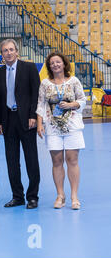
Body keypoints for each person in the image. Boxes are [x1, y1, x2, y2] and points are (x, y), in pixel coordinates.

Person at [0, 39, 41, 209]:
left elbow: (36, 94)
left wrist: (33, 115)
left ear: (17, 51)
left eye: (11, 49)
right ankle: (17, 196)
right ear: (2, 53)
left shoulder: (29, 68)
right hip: (7, 120)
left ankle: (33, 196)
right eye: (5, 50)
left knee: (31, 159)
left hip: (27, 119)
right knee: (12, 160)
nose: (8, 53)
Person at [36, 52, 86, 210]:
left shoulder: (74, 81)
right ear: (49, 66)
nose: (55, 65)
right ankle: (60, 195)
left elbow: (82, 100)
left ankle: (74, 196)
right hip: (52, 128)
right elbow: (41, 104)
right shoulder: (44, 83)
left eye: (58, 62)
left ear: (64, 64)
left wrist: (71, 105)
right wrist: (39, 124)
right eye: (52, 63)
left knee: (72, 160)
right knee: (56, 162)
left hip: (72, 127)